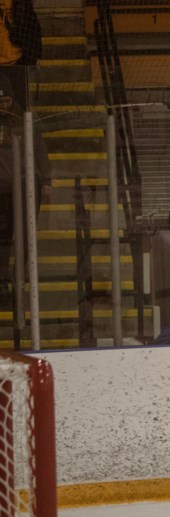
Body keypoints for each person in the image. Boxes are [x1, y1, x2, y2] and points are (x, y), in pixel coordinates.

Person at [0, 71, 49, 308]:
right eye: (0, 102)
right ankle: (4, 281)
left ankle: (23, 275)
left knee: (24, 235)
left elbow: (39, 149)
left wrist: (47, 180)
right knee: (4, 238)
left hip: (23, 187)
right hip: (2, 190)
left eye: (7, 100)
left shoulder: (24, 120)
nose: (4, 105)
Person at [1, 0, 42, 110]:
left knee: (21, 106)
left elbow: (33, 28)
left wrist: (34, 57)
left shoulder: (21, 2)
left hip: (19, 63)